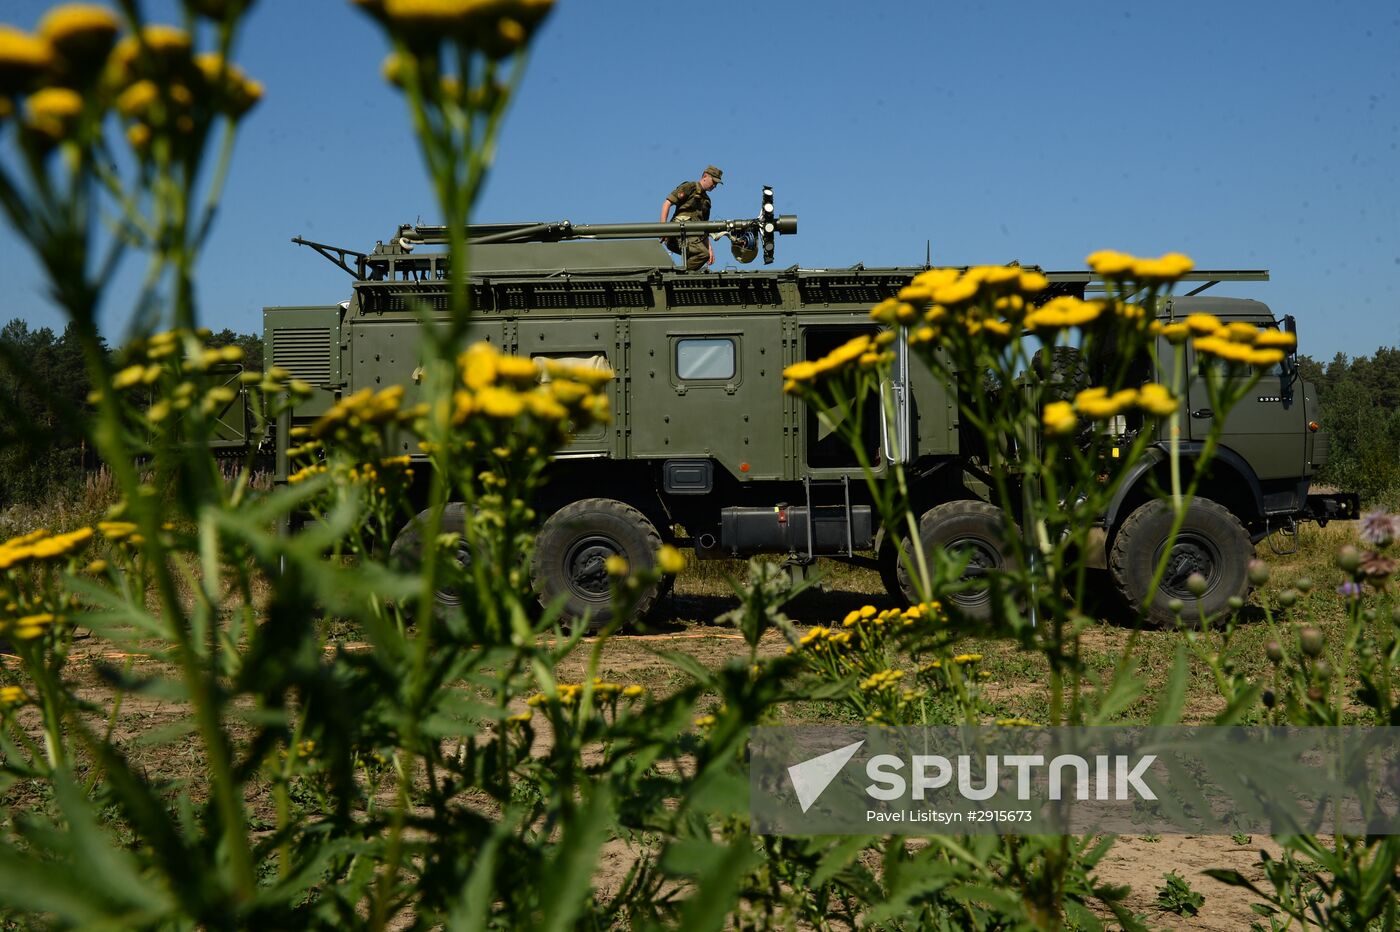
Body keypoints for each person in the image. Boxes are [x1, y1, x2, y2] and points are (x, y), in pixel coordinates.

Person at [660, 165, 722, 271]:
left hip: (693, 237)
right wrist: (663, 229)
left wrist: (710, 248)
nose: (714, 185)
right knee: (702, 254)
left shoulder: (706, 201)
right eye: (714, 181)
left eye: (716, 183)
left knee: (702, 254)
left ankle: (681, 275)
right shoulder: (690, 187)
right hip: (677, 233)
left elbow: (704, 228)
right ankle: (679, 276)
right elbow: (667, 203)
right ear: (705, 176)